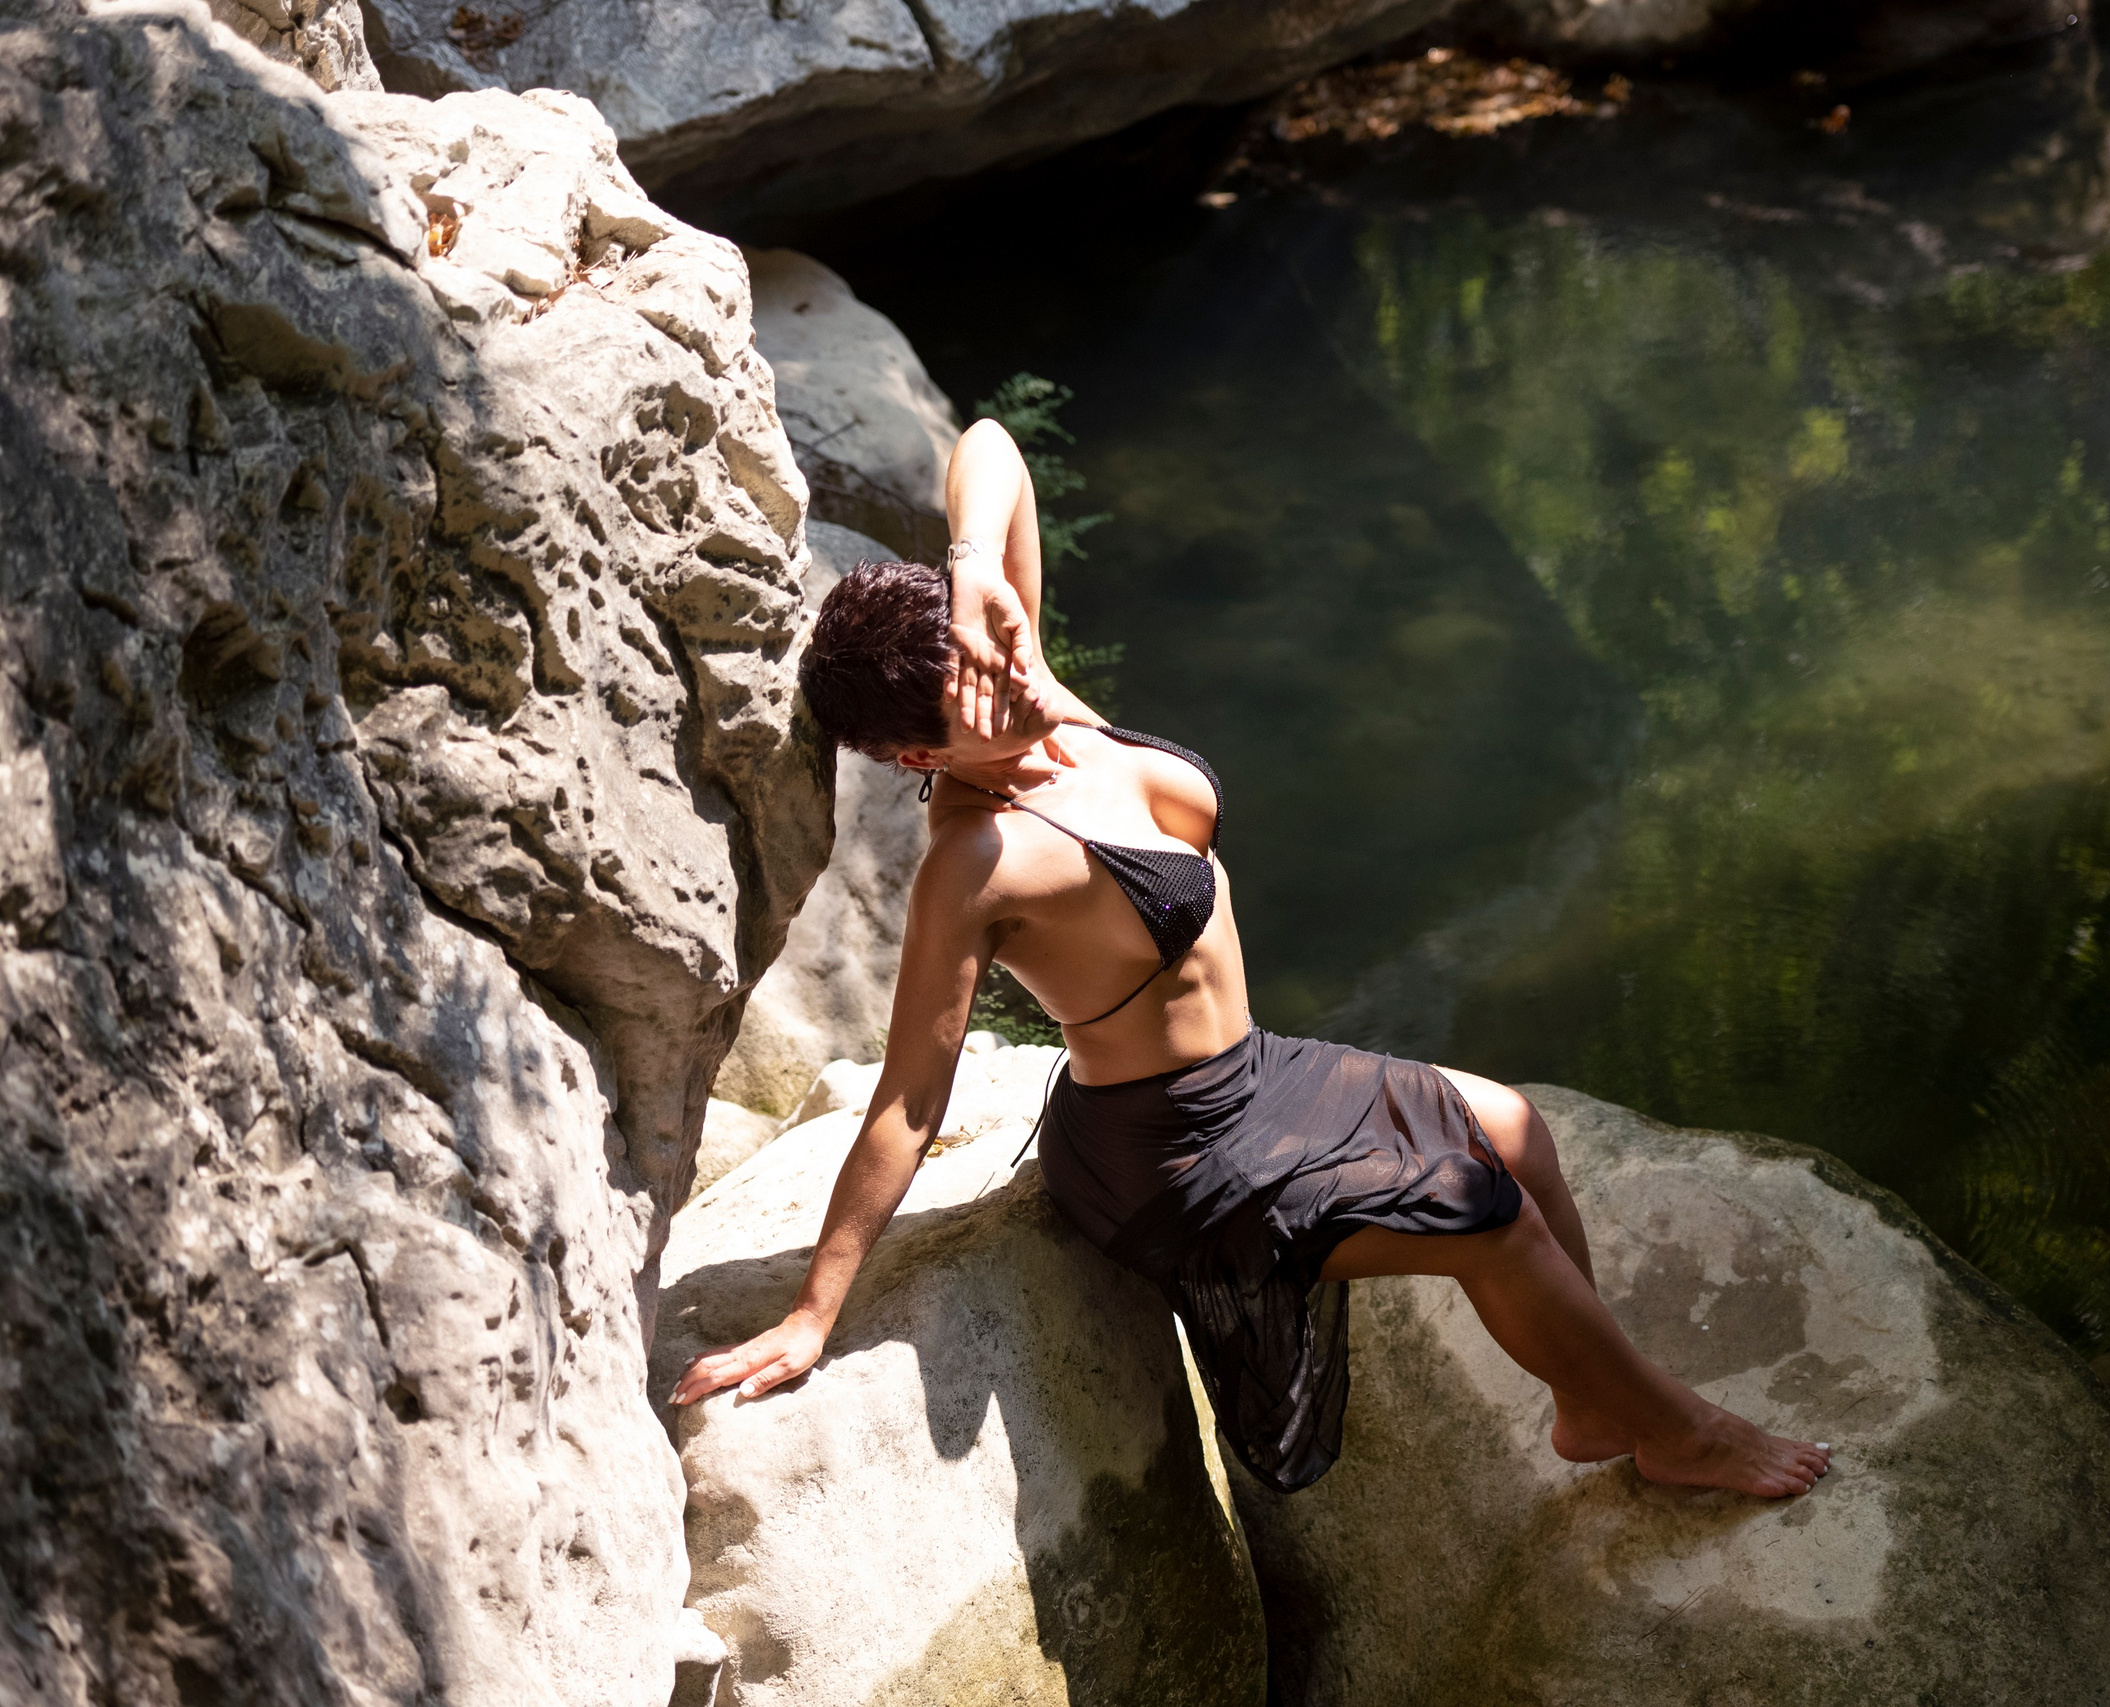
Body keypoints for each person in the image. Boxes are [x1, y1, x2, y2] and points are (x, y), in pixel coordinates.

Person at [669, 419, 1832, 1499]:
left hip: (1254, 1074)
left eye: (1005, 645)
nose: (1017, 677)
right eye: (984, 691)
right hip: (1172, 1155)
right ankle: (1678, 1433)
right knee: (1483, 1212)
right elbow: (907, 1104)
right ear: (922, 756)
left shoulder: (1028, 685)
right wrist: (813, 1314)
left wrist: (976, 573)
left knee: (1518, 1130)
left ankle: (1592, 1399)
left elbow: (990, 444)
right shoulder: (976, 862)